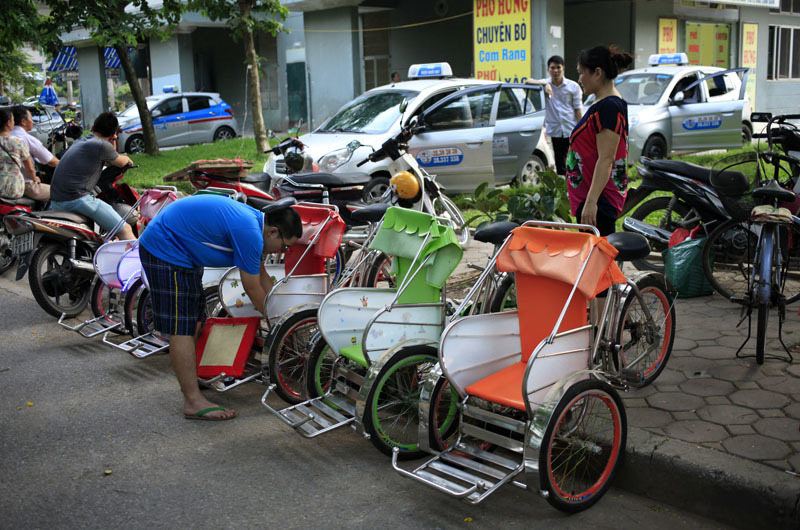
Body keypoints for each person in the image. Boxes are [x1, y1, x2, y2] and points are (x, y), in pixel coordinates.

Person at [138, 194, 302, 421]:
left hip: (182, 251)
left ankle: (191, 380)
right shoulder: (250, 232)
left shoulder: (256, 226)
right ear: (273, 231)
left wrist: (283, 311)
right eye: (284, 246)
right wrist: (277, 322)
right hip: (166, 249)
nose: (281, 252)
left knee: (195, 320)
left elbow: (263, 277)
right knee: (182, 328)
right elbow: (253, 288)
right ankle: (192, 401)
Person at [565, 45, 633, 236]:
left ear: (597, 72)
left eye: (581, 73)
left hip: (598, 203)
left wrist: (591, 202)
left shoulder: (610, 107)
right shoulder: (602, 103)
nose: (579, 79)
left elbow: (606, 159)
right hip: (591, 198)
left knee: (596, 262)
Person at [49, 112, 136, 240]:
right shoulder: (101, 145)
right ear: (113, 133)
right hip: (77, 199)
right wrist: (115, 139)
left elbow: (108, 160)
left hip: (56, 201)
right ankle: (135, 260)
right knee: (125, 229)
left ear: (93, 127)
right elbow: (122, 162)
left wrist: (112, 139)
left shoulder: (82, 140)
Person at [526, 55, 583, 176]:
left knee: (574, 160)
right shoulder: (545, 83)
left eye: (558, 67)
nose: (555, 71)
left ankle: (576, 186)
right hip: (556, 130)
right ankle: (564, 189)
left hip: (571, 128)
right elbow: (527, 81)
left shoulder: (573, 86)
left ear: (563, 69)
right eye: (552, 68)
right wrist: (544, 85)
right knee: (559, 161)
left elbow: (578, 110)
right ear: (548, 70)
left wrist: (581, 129)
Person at [10, 105, 56, 202]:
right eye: (31, 118)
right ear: (23, 121)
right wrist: (34, 178)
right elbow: (50, 161)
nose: (33, 121)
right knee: (62, 192)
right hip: (24, 185)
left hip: (5, 184)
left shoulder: (4, 139)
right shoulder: (24, 139)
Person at [0, 108, 33, 200]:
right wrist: (35, 178)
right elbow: (29, 169)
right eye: (13, 120)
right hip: (14, 189)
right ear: (8, 123)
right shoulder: (18, 142)